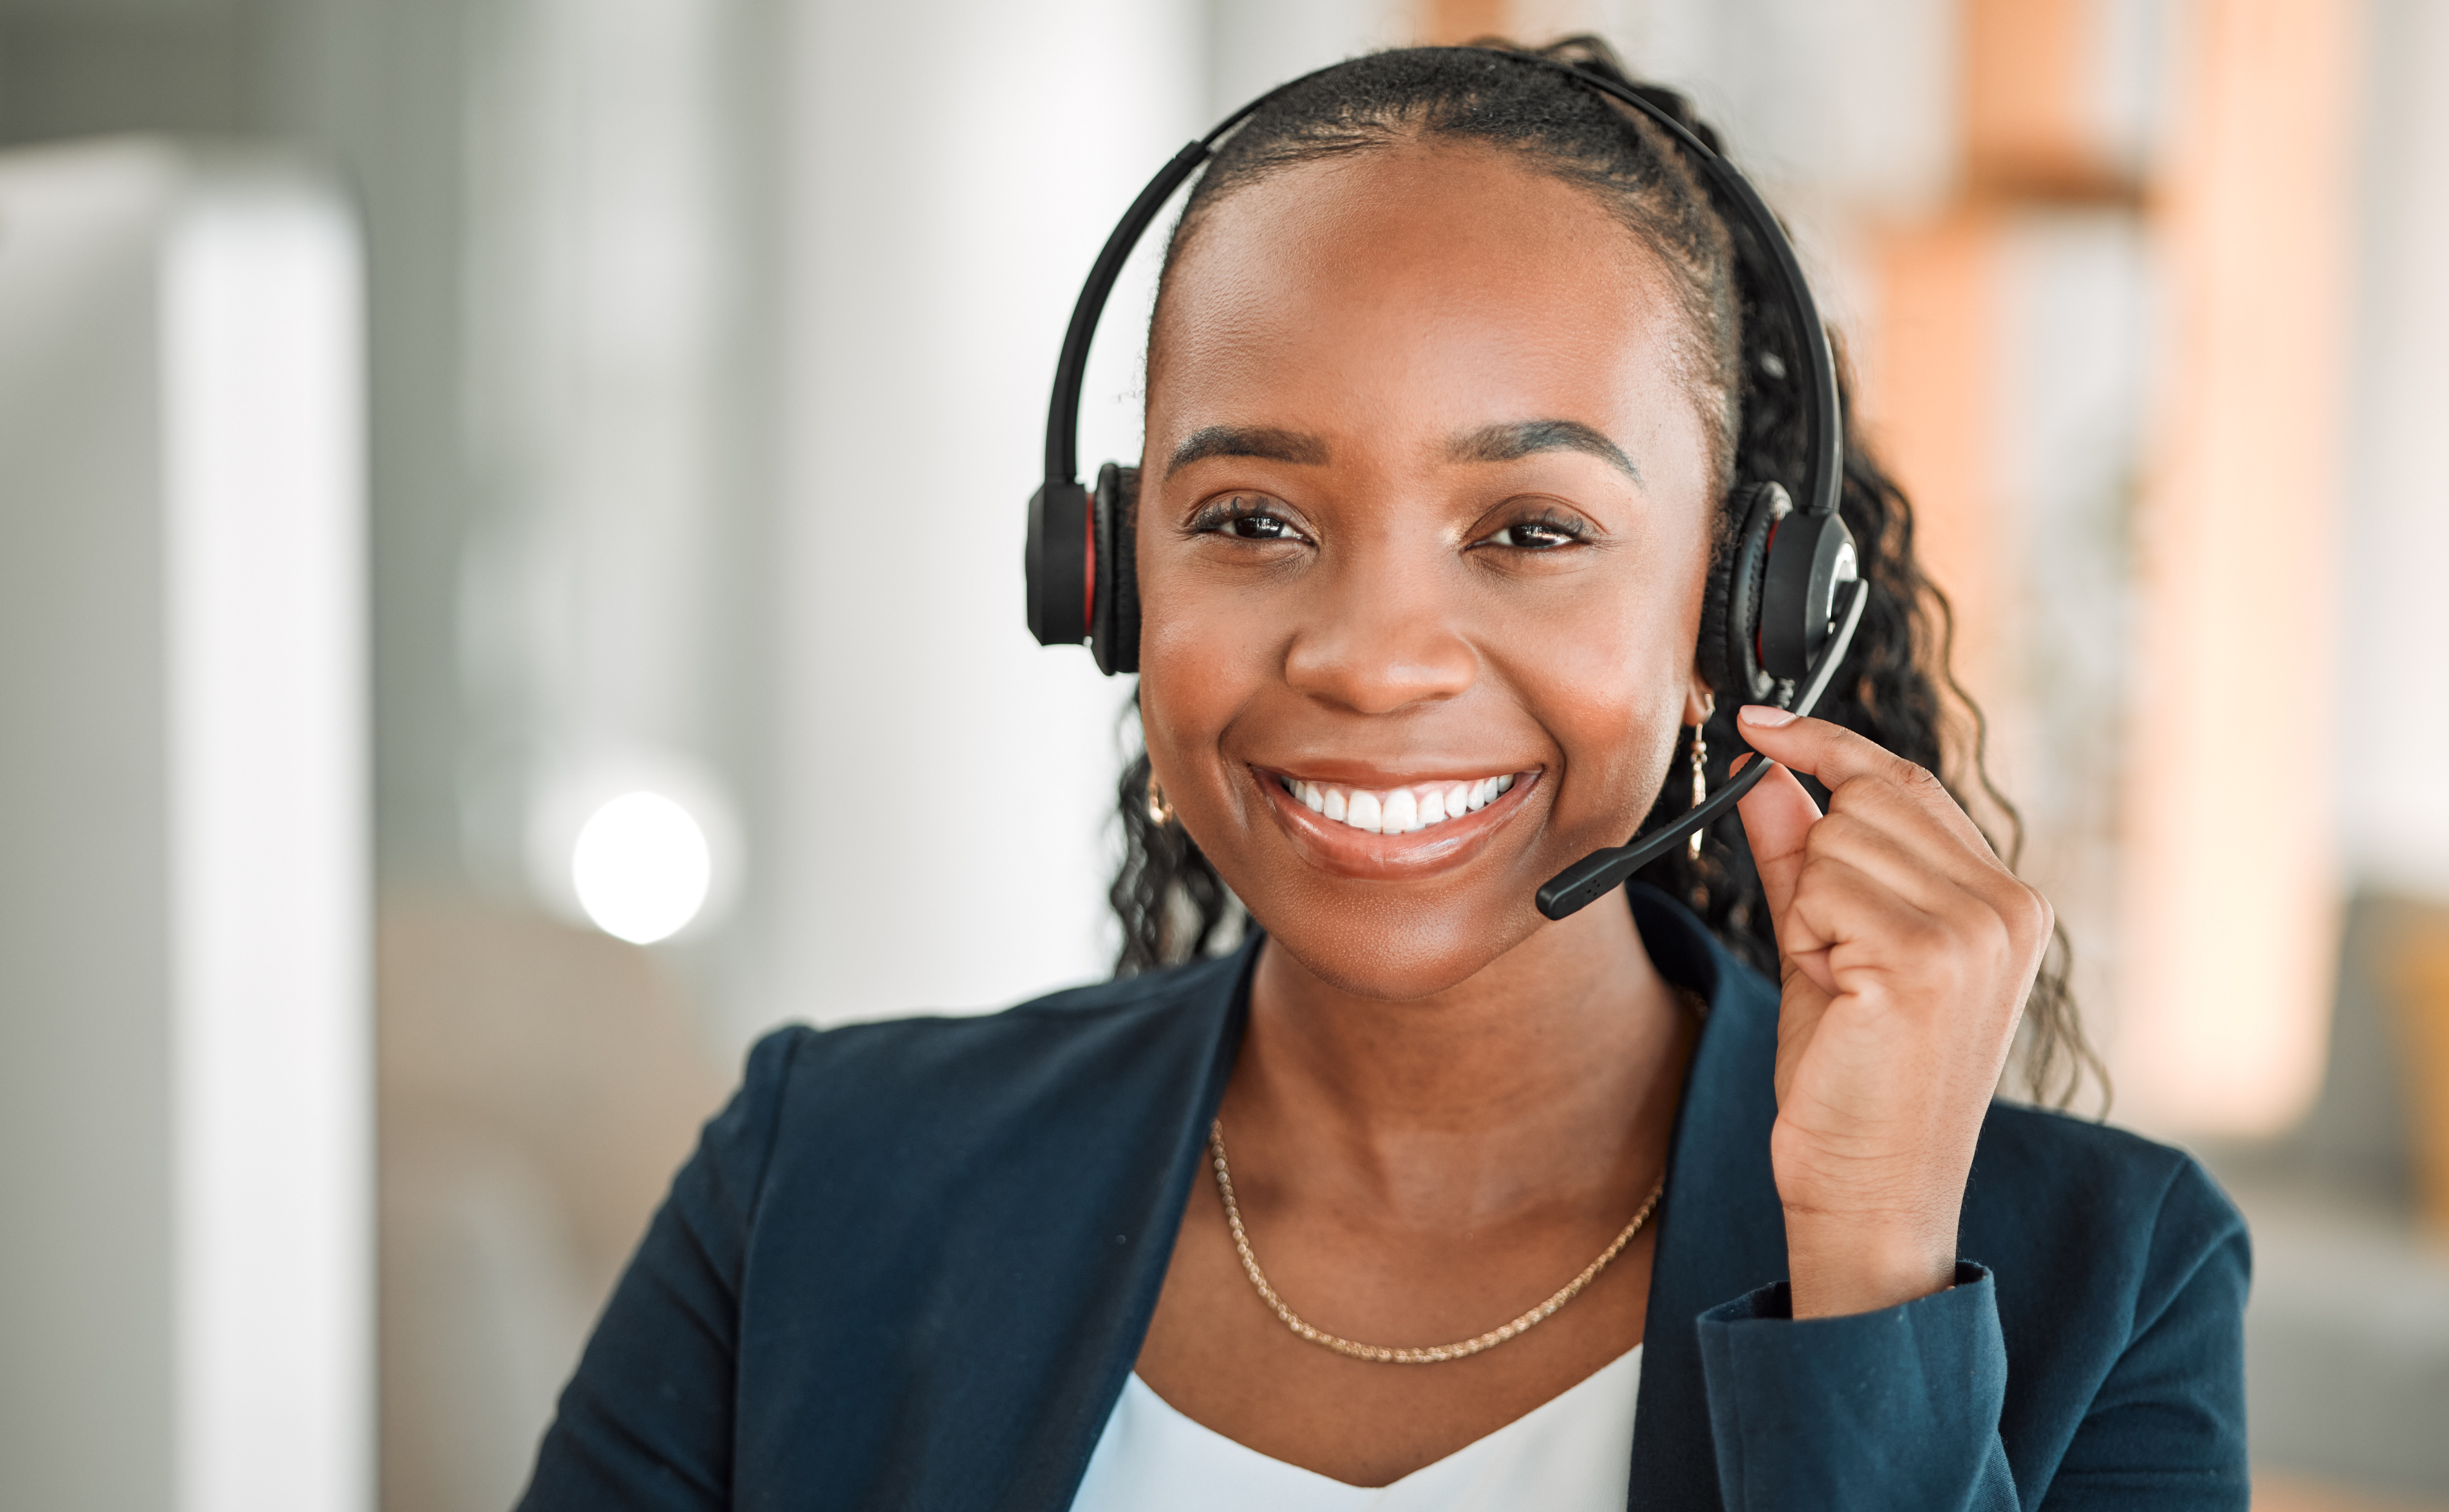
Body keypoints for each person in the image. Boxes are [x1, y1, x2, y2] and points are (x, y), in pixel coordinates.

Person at [518, 39, 2248, 1511]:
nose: (1370, 656)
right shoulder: (820, 1179)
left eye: (1531, 529)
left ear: (1736, 610)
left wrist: (1867, 1276)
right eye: (1251, 519)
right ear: (1110, 581)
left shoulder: (2112, 1279)